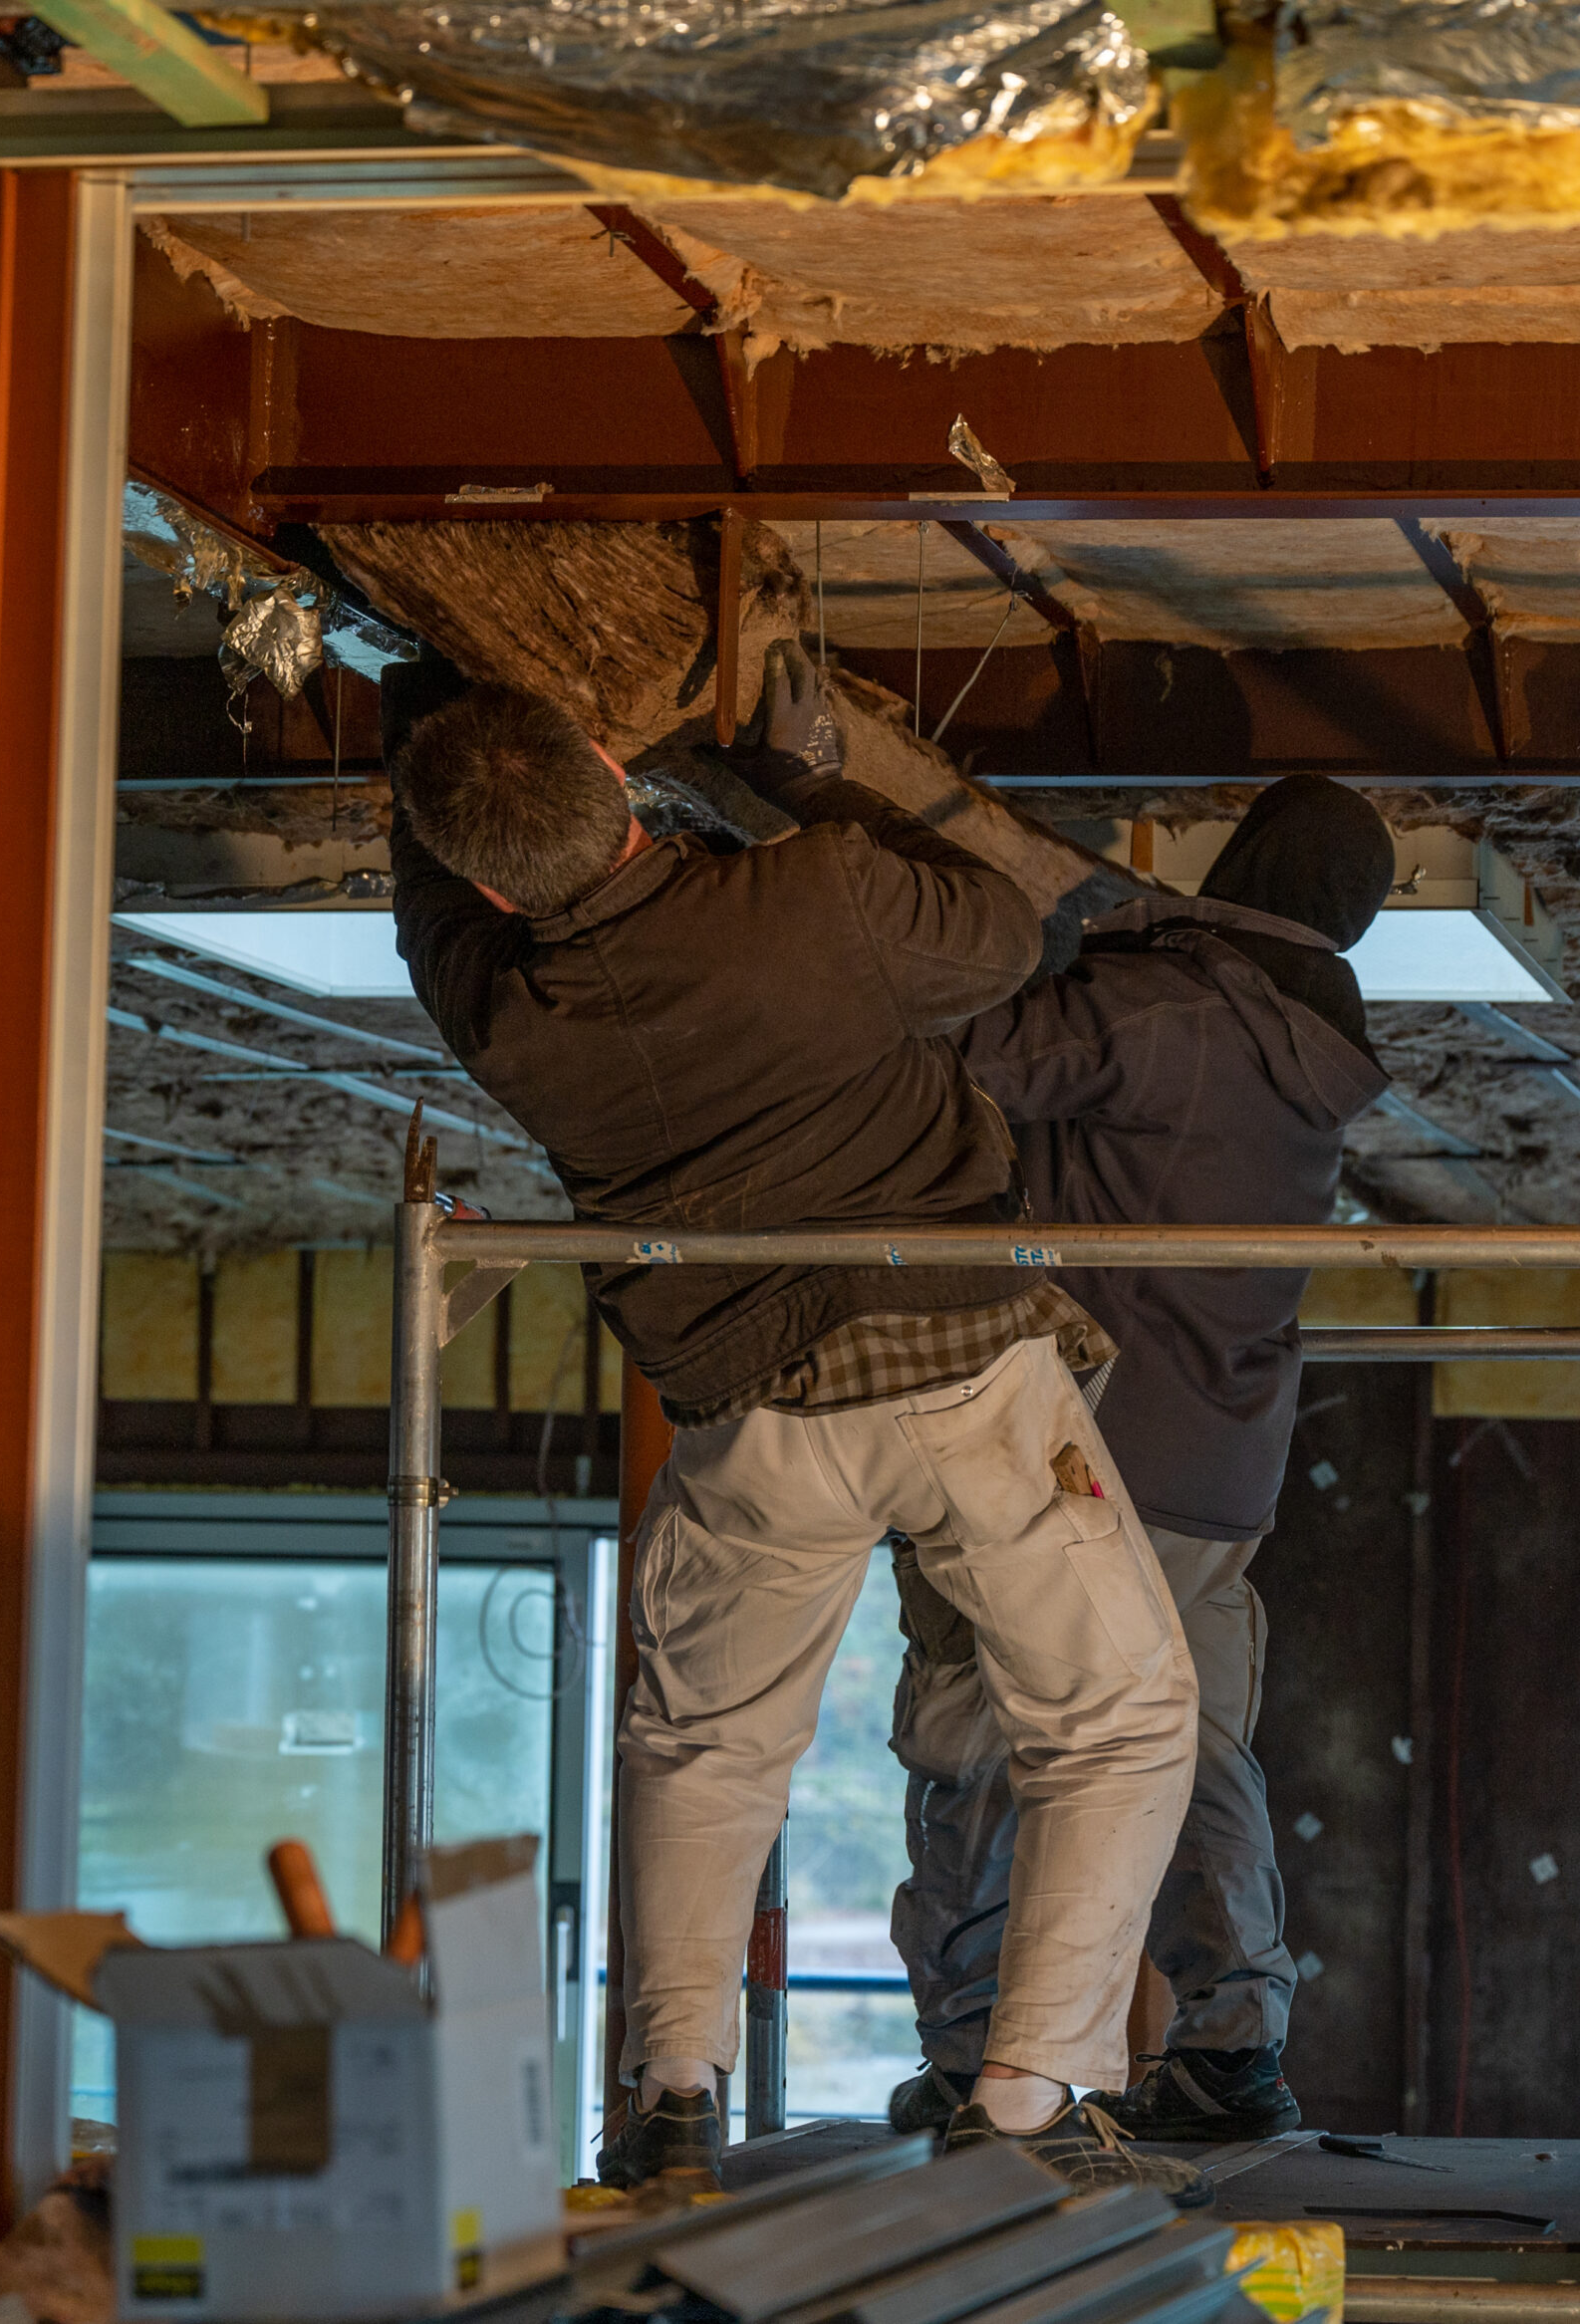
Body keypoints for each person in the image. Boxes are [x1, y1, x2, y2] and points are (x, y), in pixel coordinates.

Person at [389, 642, 1205, 2203]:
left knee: (706, 1743)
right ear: (621, 777)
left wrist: (412, 727)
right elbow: (1004, 928)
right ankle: (1030, 2091)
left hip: (752, 1419)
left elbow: (433, 900)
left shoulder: (502, 1008)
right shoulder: (811, 897)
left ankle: (672, 2094)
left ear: (488, 894)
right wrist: (799, 789)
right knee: (1121, 1715)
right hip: (955, 1366)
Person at [889, 775, 1396, 2144]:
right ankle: (1230, 2044)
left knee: (982, 1719)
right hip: (1217, 1468)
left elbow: (968, 1045)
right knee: (1190, 1751)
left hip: (1080, 1448)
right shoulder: (1305, 1052)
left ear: (1245, 860)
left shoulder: (1173, 1007)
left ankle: (974, 2049)